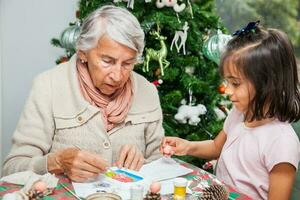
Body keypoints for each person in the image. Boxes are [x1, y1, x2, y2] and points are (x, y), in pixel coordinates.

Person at [2, 5, 164, 182]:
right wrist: (56, 162)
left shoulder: (147, 91)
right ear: (83, 53)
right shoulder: (48, 86)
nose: (118, 76)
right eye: (107, 61)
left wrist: (144, 162)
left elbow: (161, 166)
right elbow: (12, 170)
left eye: (127, 63)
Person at [160, 21, 300, 200]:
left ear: (267, 83)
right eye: (227, 81)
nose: (226, 90)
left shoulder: (281, 142)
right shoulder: (239, 113)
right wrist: (187, 146)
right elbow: (216, 147)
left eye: (235, 83)